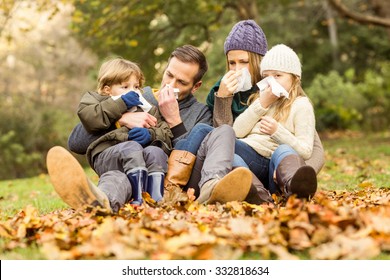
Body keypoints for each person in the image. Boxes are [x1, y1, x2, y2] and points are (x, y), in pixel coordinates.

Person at [62, 45, 213, 209]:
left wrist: (174, 120)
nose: (170, 84)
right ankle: (96, 203)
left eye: (181, 82)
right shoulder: (138, 97)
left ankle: (119, 201)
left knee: (138, 166)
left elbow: (191, 163)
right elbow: (76, 142)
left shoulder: (201, 114)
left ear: (196, 86)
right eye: (169, 75)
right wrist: (121, 119)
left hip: (165, 183)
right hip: (124, 167)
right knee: (116, 180)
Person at [47, 58, 173, 213]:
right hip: (107, 156)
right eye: (125, 87)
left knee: (149, 157)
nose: (133, 91)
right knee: (129, 149)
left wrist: (150, 134)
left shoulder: (147, 109)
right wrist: (121, 104)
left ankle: (150, 202)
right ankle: (115, 201)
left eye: (136, 86)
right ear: (107, 89)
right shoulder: (95, 100)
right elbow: (89, 117)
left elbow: (165, 132)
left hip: (136, 163)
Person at [233, 44, 317, 198]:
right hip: (252, 162)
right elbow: (237, 132)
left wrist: (277, 132)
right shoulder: (261, 100)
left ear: (295, 78)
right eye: (267, 77)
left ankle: (295, 190)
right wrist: (262, 104)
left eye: (278, 75)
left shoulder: (301, 105)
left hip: (275, 168)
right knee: (226, 144)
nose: (272, 81)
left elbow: (306, 151)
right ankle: (258, 195)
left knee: (283, 150)